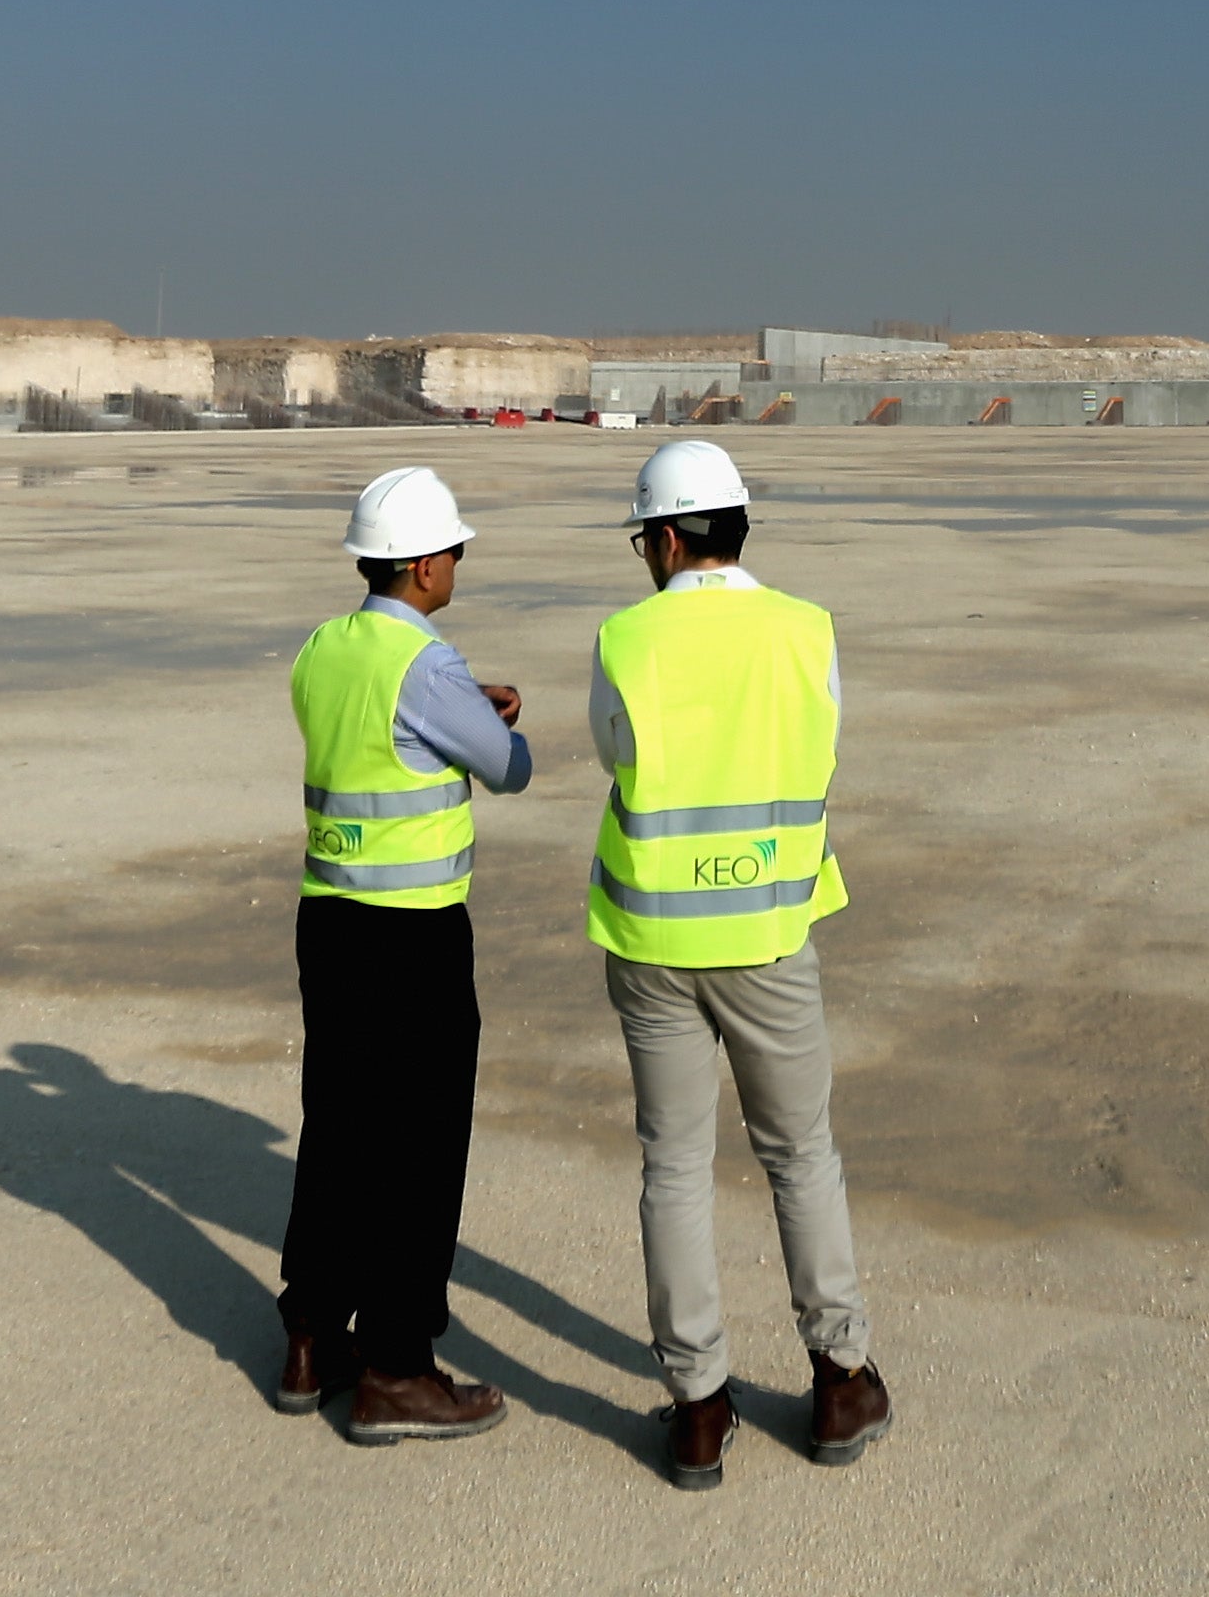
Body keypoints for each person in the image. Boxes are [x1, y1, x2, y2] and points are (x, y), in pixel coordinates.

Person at [587, 435, 889, 1489]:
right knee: (801, 1154)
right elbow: (822, 740)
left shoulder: (627, 640)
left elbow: (617, 753)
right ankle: (841, 1379)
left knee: (673, 1165)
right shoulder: (806, 632)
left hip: (655, 940)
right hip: (770, 934)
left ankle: (700, 1405)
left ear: (667, 537)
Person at [276, 464, 533, 1445]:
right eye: (456, 551)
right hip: (413, 926)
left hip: (329, 913)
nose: (457, 564)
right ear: (426, 563)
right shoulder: (425, 663)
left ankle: (311, 1332)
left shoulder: (323, 648)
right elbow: (507, 768)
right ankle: (396, 1362)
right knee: (420, 1142)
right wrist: (482, 712)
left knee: (338, 1123)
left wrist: (464, 698)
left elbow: (379, 738)